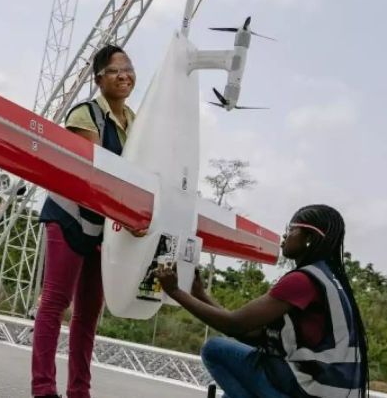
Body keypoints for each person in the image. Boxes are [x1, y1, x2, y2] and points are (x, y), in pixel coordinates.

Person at [155, 204, 369, 397]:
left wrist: (175, 292)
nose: (284, 237)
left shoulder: (302, 281)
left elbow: (234, 324)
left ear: (309, 239)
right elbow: (251, 333)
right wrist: (201, 296)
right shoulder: (329, 278)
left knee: (214, 349)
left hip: (312, 390)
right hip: (331, 390)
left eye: (291, 230)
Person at [32, 44, 143, 398]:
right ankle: (44, 389)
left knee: (88, 314)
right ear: (99, 79)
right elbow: (92, 173)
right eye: (116, 70)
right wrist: (125, 215)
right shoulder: (86, 114)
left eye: (129, 69)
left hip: (104, 226)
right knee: (56, 301)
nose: (125, 75)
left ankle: (79, 391)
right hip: (69, 216)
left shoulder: (135, 123)